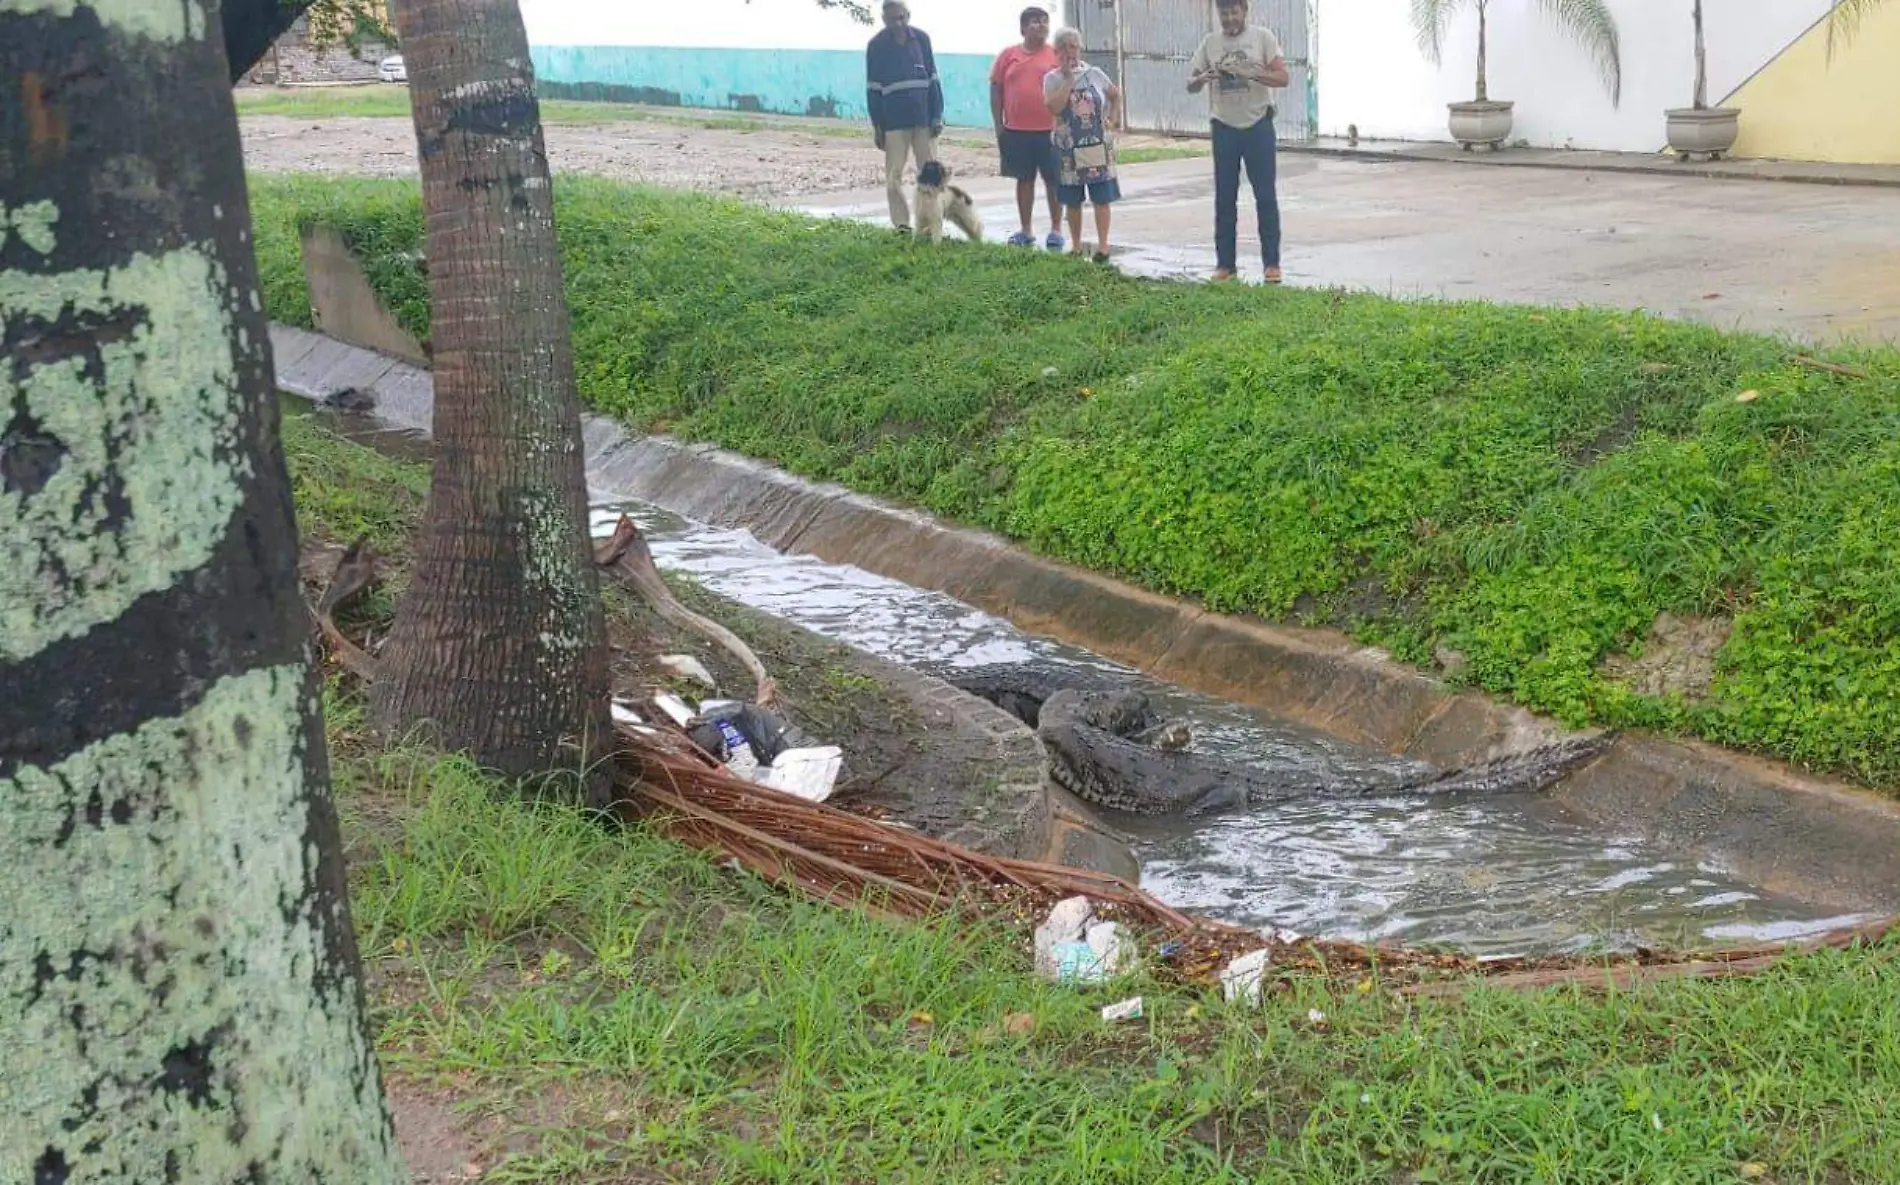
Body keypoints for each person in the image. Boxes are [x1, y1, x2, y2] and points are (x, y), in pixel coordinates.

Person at [1187, 0, 1289, 283]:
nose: (1229, 18)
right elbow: (1191, 84)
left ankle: (1271, 264)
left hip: (1258, 125)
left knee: (1265, 196)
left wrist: (1252, 73)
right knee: (1225, 198)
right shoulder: (1210, 43)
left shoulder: (1262, 38)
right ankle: (1225, 265)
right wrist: (1203, 78)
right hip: (1224, 127)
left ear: (1245, 11)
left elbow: (1283, 77)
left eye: (1234, 12)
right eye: (1224, 13)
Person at [1043, 27, 1122, 264]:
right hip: (1068, 148)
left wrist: (1113, 119)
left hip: (1097, 146)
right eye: (1064, 46)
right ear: (1056, 52)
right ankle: (1076, 246)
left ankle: (1103, 247)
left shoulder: (1095, 73)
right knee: (1072, 199)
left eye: (1073, 46)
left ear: (1080, 49)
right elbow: (1054, 108)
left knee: (1101, 197)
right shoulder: (1052, 78)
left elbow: (1114, 95)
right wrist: (1067, 80)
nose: (1070, 51)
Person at [866, 1, 945, 233]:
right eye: (892, 19)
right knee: (893, 176)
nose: (898, 23)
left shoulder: (921, 39)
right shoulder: (876, 45)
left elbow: (933, 79)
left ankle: (930, 224)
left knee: (930, 174)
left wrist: (937, 115)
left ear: (908, 15)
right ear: (884, 19)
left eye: (902, 18)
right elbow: (872, 87)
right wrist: (877, 124)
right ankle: (901, 224)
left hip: (924, 117)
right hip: (893, 120)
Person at [989, 6, 1064, 251]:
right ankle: (1026, 229)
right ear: (1023, 28)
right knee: (1024, 180)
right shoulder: (1008, 55)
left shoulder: (1056, 56)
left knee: (1054, 180)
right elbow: (996, 89)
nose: (1041, 25)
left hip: (1050, 130)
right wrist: (999, 125)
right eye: (1034, 21)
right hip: (1017, 131)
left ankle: (1056, 230)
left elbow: (1068, 88)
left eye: (1044, 21)